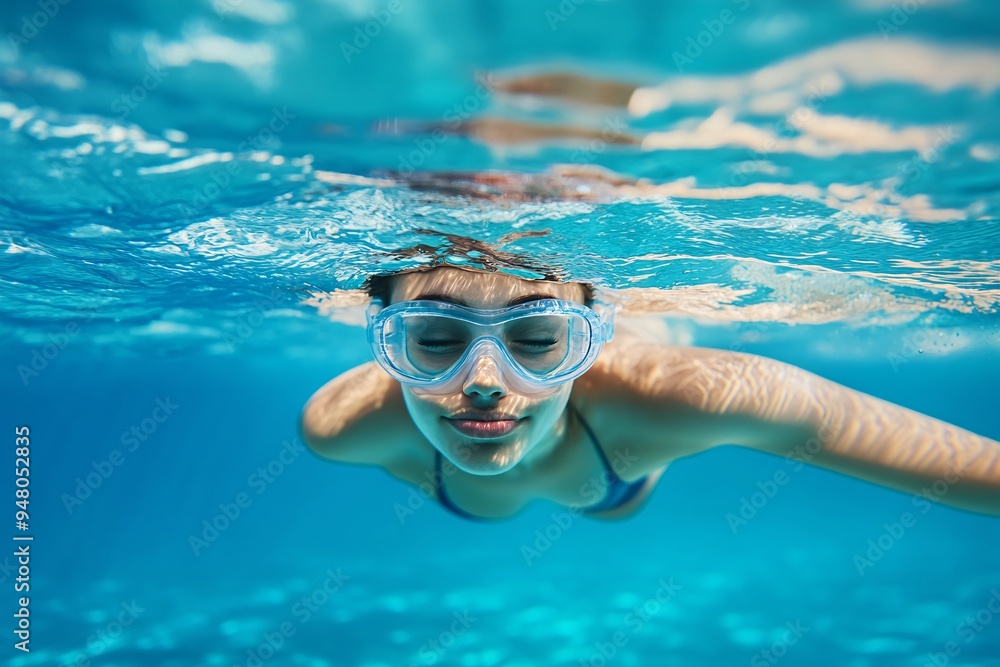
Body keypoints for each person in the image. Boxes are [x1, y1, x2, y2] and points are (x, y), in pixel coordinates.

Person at [300, 237, 1000, 522]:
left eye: (541, 338)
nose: (485, 380)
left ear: (591, 341)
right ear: (384, 342)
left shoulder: (675, 394)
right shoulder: (341, 424)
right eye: (434, 338)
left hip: (619, 467)